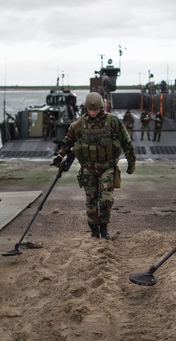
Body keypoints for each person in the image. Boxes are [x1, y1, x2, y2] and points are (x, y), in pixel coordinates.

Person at [52, 92, 136, 240]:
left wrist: (131, 161)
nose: (92, 112)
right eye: (90, 110)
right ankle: (94, 231)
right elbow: (67, 142)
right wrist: (60, 156)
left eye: (95, 110)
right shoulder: (78, 124)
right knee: (91, 200)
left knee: (105, 199)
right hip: (88, 168)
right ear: (86, 109)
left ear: (101, 108)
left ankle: (104, 229)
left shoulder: (113, 122)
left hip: (107, 167)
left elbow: (126, 142)